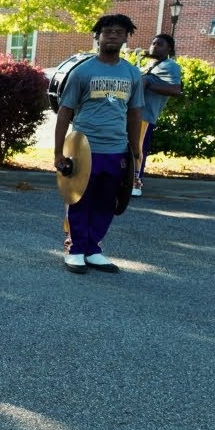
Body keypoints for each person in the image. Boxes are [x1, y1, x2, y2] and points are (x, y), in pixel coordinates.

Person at [53, 14, 144, 274]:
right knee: (79, 198)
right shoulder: (82, 71)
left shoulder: (132, 73)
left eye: (119, 32)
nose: (113, 36)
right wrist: (59, 152)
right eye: (107, 32)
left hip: (117, 149)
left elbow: (135, 112)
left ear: (127, 37)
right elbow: (65, 112)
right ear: (98, 37)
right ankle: (75, 249)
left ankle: (93, 248)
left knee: (107, 200)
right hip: (84, 147)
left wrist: (135, 147)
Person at [133, 33, 183, 197]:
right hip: (133, 114)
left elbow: (176, 90)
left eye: (159, 44)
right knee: (129, 148)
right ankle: (125, 181)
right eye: (153, 43)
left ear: (169, 48)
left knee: (138, 150)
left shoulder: (171, 66)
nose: (154, 46)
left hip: (146, 116)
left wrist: (149, 84)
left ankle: (135, 184)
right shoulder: (149, 64)